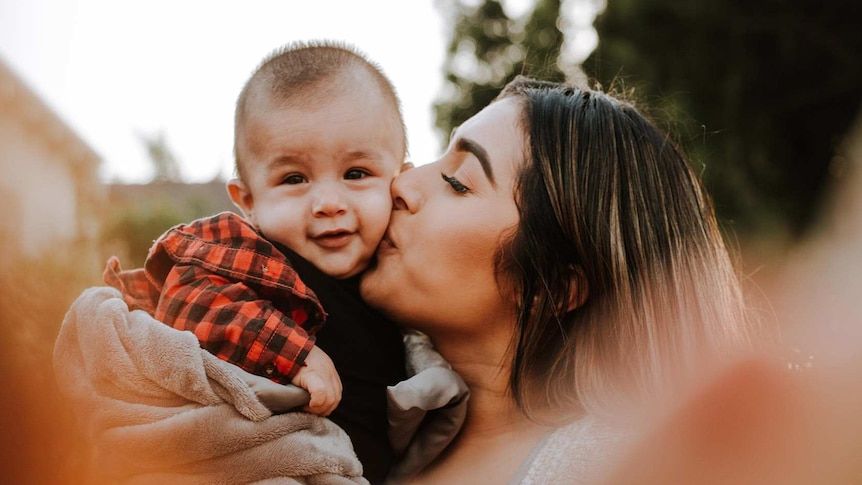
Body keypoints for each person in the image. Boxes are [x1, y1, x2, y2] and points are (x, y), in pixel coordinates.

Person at [359, 76, 755, 483]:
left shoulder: (619, 470)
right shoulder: (358, 415)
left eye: (457, 182)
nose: (401, 184)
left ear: (554, 288)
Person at [103, 40, 408, 483]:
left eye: (356, 174)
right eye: (294, 179)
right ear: (248, 201)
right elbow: (189, 299)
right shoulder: (250, 253)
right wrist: (294, 354)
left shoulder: (400, 275)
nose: (327, 202)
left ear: (400, 180)